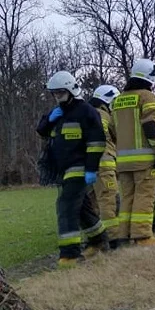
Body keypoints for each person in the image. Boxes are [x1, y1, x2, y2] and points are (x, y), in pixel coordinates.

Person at [36, 70, 110, 268]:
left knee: (66, 206)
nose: (57, 97)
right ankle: (99, 240)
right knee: (83, 209)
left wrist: (91, 169)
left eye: (60, 92)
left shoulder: (86, 111)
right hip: (62, 169)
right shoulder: (58, 112)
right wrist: (49, 119)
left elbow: (96, 142)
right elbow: (41, 130)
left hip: (79, 167)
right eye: (54, 93)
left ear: (71, 89)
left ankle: (70, 255)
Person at [112, 58, 155, 246]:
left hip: (123, 162)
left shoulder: (117, 100)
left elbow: (112, 131)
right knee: (144, 197)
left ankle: (123, 236)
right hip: (144, 160)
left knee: (127, 199)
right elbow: (151, 126)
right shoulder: (147, 97)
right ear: (150, 77)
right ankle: (142, 236)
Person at [87, 85, 123, 250]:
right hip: (104, 165)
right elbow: (118, 137)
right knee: (109, 202)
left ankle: (96, 240)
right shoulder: (103, 115)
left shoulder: (84, 114)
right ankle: (114, 240)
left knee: (92, 204)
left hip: (86, 167)